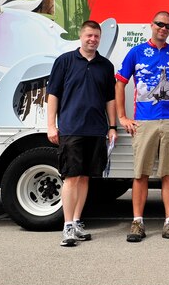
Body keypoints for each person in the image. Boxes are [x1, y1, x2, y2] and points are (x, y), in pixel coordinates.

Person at [116, 11, 169, 243]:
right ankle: (137, 222)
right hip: (144, 121)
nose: (163, 28)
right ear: (151, 25)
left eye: (168, 26)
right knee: (141, 174)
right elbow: (120, 83)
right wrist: (122, 116)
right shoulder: (137, 52)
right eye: (160, 24)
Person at [46, 20, 117, 247]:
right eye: (89, 35)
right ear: (81, 36)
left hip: (96, 130)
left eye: (96, 36)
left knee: (85, 177)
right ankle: (67, 226)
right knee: (72, 177)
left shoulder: (106, 66)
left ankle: (77, 221)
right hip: (71, 129)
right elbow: (53, 94)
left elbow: (110, 99)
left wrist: (112, 127)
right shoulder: (64, 61)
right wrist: (51, 125)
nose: (93, 40)